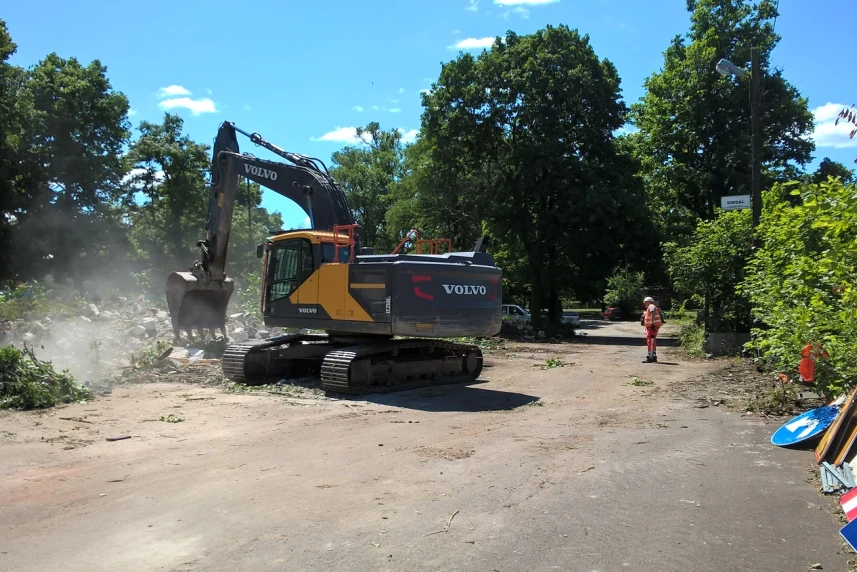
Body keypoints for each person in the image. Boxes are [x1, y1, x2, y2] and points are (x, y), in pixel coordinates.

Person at [642, 296, 663, 362]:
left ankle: (651, 357)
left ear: (649, 302)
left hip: (652, 326)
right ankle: (653, 355)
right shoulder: (651, 306)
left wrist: (652, 322)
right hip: (652, 326)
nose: (644, 304)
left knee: (650, 341)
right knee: (652, 341)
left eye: (645, 302)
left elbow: (652, 312)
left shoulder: (651, 306)